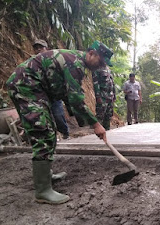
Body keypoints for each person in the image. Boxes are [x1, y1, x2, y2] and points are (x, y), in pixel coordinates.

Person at [7, 40, 112, 204]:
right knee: (43, 133)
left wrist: (84, 120)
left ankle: (46, 175)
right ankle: (42, 191)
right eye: (101, 62)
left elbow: (67, 95)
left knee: (50, 130)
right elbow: (76, 99)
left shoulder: (76, 63)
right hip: (26, 86)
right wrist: (96, 124)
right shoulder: (74, 64)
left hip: (36, 89)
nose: (101, 66)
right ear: (91, 54)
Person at [32, 39, 70, 140]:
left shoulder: (53, 60)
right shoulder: (32, 63)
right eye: (36, 48)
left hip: (54, 94)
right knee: (44, 118)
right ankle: (50, 138)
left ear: (46, 48)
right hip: (41, 95)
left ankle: (65, 134)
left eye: (41, 47)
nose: (38, 50)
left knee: (58, 115)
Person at [93, 65, 116, 130]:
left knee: (108, 115)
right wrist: (98, 96)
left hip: (110, 96)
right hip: (102, 96)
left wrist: (114, 95)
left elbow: (112, 83)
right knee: (100, 115)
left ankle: (107, 130)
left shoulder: (108, 69)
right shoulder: (97, 69)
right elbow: (96, 83)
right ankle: (97, 131)